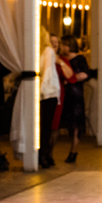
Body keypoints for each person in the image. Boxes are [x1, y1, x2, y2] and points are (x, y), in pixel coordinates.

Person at [59, 35, 89, 164]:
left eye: (63, 44)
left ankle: (73, 151)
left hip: (75, 95)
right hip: (64, 94)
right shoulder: (61, 59)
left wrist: (71, 78)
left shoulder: (80, 59)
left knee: (75, 125)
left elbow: (85, 74)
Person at [38, 32, 61, 169]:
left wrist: (40, 89)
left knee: (46, 125)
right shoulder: (41, 51)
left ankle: (43, 154)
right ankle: (41, 154)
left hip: (48, 91)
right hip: (44, 90)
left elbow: (47, 72)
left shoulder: (48, 51)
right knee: (42, 125)